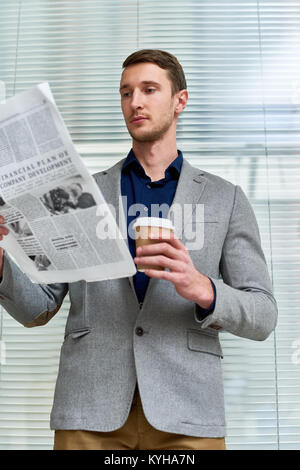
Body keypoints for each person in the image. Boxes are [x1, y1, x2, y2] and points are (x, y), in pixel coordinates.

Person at [0, 49, 277, 450]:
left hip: (188, 415)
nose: (136, 102)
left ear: (180, 100)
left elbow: (263, 314)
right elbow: (38, 308)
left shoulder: (224, 198)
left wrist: (203, 288)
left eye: (149, 89)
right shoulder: (82, 193)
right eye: (126, 92)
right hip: (88, 413)